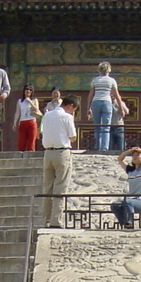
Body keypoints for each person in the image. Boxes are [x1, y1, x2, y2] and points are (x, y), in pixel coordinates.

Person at [40, 96, 78, 228]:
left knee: (47, 188)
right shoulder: (67, 117)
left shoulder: (47, 115)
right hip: (61, 152)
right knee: (60, 187)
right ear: (71, 106)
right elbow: (73, 137)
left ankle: (45, 219)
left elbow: (43, 131)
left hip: (48, 153)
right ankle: (56, 220)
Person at [110, 147, 141, 228]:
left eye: (137, 155)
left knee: (128, 202)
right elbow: (120, 159)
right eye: (133, 155)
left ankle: (129, 222)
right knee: (115, 205)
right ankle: (124, 224)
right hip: (131, 200)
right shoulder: (130, 170)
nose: (135, 157)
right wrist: (129, 151)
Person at [87, 62, 125, 152]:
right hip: (107, 102)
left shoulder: (95, 80)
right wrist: (121, 108)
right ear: (109, 70)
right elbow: (117, 95)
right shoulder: (111, 81)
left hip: (96, 102)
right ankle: (104, 148)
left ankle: (97, 146)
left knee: (97, 126)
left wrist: (88, 108)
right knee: (106, 126)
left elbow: (91, 95)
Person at [10, 83, 42, 152]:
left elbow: (37, 109)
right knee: (22, 141)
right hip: (23, 122)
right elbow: (17, 112)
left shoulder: (34, 100)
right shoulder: (20, 101)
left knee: (31, 141)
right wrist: (15, 122)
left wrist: (30, 101)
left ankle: (31, 154)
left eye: (30, 90)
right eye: (26, 89)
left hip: (32, 122)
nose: (28, 91)